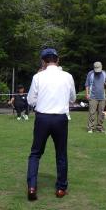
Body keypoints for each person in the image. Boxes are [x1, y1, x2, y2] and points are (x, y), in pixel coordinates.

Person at [26, 48, 76, 201]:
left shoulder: (38, 77)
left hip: (42, 118)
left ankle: (32, 186)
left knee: (35, 153)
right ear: (57, 59)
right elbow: (73, 98)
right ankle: (61, 188)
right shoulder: (67, 76)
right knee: (61, 154)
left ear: (43, 61)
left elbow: (30, 100)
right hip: (60, 118)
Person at [85, 61, 106, 133]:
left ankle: (99, 128)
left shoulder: (104, 73)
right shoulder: (90, 73)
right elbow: (87, 84)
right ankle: (90, 127)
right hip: (93, 96)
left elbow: (105, 84)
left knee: (101, 113)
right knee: (92, 113)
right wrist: (87, 94)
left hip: (102, 97)